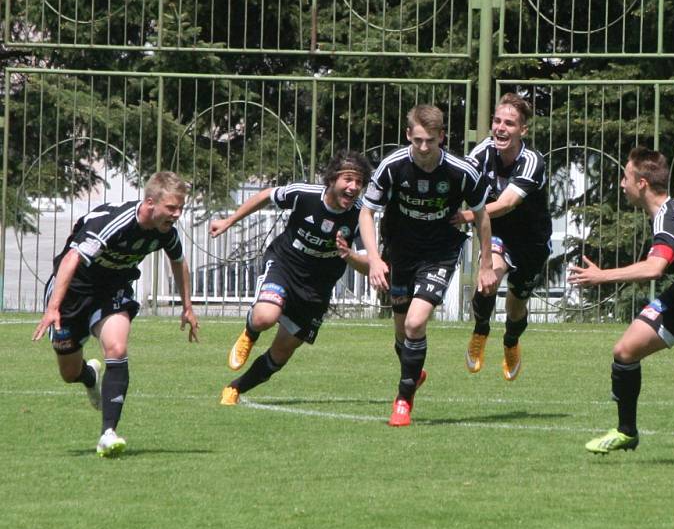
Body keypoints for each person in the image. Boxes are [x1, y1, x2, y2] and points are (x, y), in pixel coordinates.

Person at [568, 146, 674, 463]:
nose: (622, 184)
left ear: (642, 184)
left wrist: (600, 276)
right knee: (625, 351)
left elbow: (653, 269)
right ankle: (626, 432)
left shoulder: (669, 221)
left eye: (626, 177)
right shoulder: (671, 211)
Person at [32, 171, 200, 457]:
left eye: (180, 208)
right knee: (69, 372)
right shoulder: (114, 224)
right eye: (172, 207)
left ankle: (107, 433)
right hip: (73, 292)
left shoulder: (165, 233)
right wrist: (53, 308)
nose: (177, 214)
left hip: (112, 291)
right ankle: (88, 377)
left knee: (117, 346)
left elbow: (179, 262)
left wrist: (187, 306)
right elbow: (72, 258)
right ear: (150, 203)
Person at [360, 104, 498, 427]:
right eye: (418, 140)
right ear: (408, 134)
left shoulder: (460, 171)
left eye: (431, 141)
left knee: (414, 323)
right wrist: (375, 259)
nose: (424, 148)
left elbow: (481, 215)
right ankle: (413, 370)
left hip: (440, 252)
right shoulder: (393, 166)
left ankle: (403, 402)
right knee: (400, 332)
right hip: (400, 252)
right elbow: (366, 212)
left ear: (442, 138)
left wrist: (487, 264)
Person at [211, 150, 372, 405]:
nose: (353, 187)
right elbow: (266, 195)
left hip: (316, 288)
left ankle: (235, 388)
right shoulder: (304, 194)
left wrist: (349, 255)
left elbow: (369, 265)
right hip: (285, 265)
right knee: (266, 316)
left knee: (282, 351)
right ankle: (250, 333)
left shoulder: (361, 215)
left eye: (359, 182)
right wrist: (229, 221)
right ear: (332, 179)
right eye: (348, 180)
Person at [452, 93, 552, 381]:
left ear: (523, 130)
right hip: (498, 234)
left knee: (516, 305)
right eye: (497, 121)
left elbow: (507, 203)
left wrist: (466, 216)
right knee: (488, 280)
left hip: (531, 243)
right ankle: (481, 329)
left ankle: (510, 341)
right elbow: (460, 180)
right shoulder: (483, 152)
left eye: (509, 123)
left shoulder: (532, 161)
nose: (500, 128)